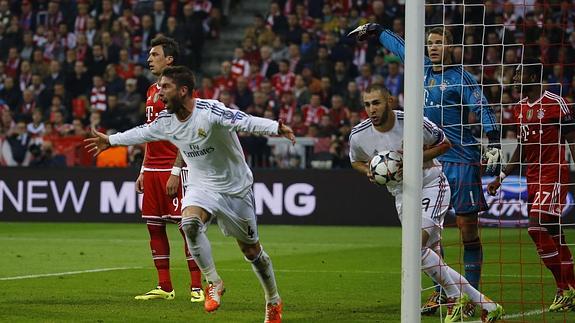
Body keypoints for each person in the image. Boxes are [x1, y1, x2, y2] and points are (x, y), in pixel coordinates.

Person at [85, 65, 294, 323]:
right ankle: (213, 282)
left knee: (252, 252)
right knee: (190, 224)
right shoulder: (166, 121)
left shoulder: (209, 111)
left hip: (235, 188)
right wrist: (111, 140)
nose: (159, 92)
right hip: (200, 185)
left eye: (165, 87)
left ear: (183, 90)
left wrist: (275, 127)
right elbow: (141, 132)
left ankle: (273, 300)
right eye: (159, 87)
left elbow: (243, 120)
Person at [348, 23, 502, 314]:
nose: (432, 47)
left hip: (460, 157)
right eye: (429, 42)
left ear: (450, 47)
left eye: (438, 43)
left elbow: (481, 107)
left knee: (467, 228)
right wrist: (377, 31)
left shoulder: (462, 79)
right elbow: (400, 47)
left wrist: (493, 139)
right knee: (429, 236)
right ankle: (444, 294)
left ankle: (471, 291)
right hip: (426, 162)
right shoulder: (420, 69)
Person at [488, 58, 575, 312]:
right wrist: (501, 176)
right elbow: (522, 148)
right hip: (532, 177)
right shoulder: (518, 109)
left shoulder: (556, 103)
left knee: (535, 227)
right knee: (553, 232)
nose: (514, 79)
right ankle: (571, 285)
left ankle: (563, 289)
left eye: (518, 75)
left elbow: (571, 139)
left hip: (554, 173)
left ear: (534, 77)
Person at [133, 35, 203, 302]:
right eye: (150, 55)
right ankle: (164, 286)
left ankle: (197, 287)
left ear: (169, 59)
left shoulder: (183, 91)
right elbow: (151, 133)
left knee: (187, 227)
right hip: (151, 168)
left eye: (155, 55)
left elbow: (187, 134)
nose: (149, 59)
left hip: (176, 167)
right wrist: (142, 168)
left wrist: (176, 170)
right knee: (154, 226)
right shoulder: (152, 90)